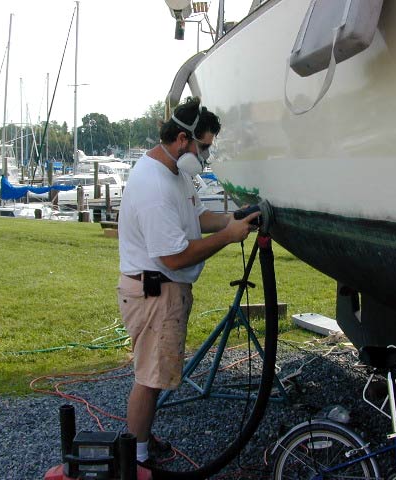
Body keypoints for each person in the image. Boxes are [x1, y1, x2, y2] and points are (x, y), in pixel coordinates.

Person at [117, 97, 260, 478]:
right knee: (149, 378)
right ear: (183, 139)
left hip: (163, 290)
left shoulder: (176, 173)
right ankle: (138, 458)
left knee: (155, 372)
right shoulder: (152, 185)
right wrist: (230, 237)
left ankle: (141, 440)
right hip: (154, 291)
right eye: (205, 146)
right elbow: (175, 257)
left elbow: (198, 216)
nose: (206, 154)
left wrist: (233, 218)